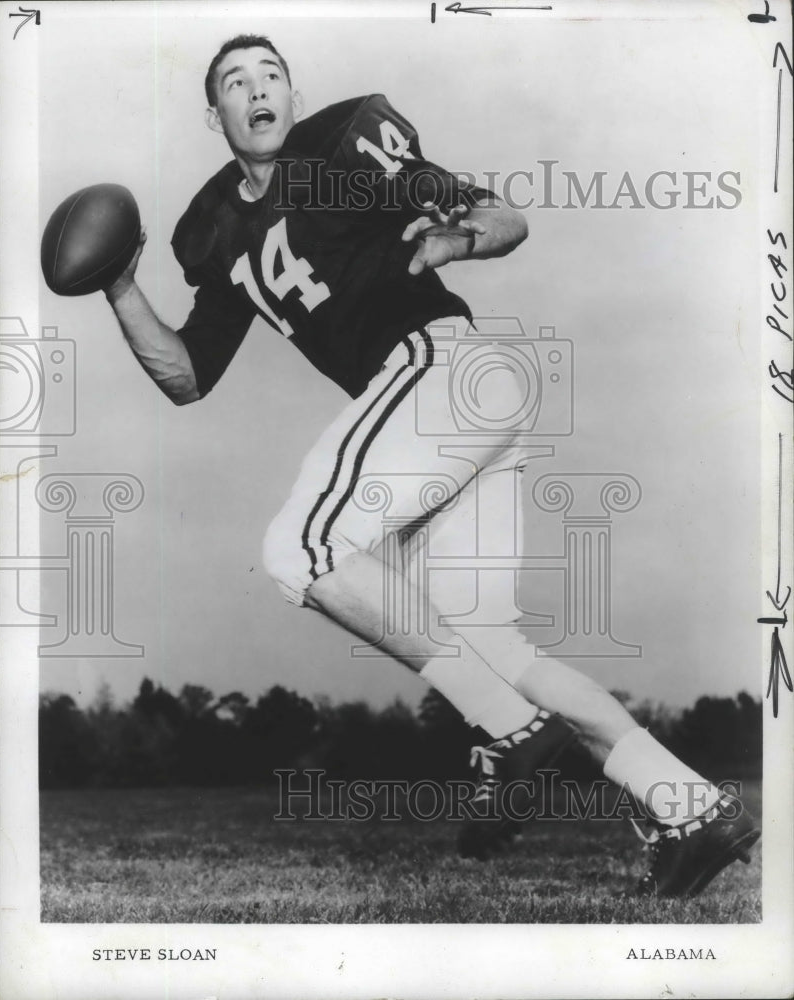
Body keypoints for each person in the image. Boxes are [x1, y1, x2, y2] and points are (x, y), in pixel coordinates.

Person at [103, 33, 759, 896]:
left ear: (294, 97)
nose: (255, 88)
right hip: (455, 400)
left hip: (441, 364)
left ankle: (509, 734)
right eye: (234, 80)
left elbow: (502, 214)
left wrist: (460, 241)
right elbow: (186, 376)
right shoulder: (215, 230)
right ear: (214, 112)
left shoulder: (349, 146)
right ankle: (690, 805)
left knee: (299, 547)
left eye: (271, 75)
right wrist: (119, 285)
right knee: (487, 641)